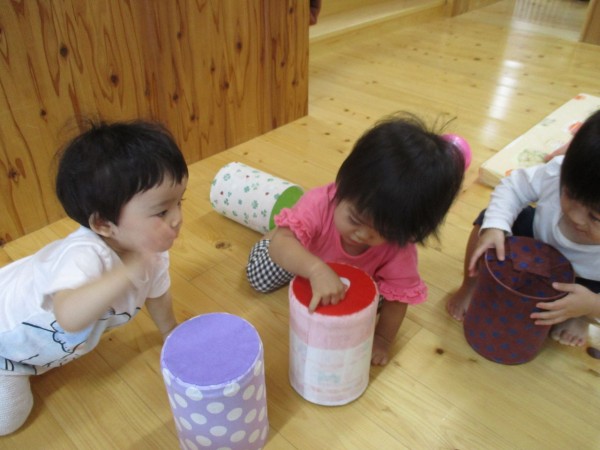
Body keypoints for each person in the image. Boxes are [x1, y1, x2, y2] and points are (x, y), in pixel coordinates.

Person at [0, 120, 188, 435]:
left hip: (34, 351)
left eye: (180, 201)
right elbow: (69, 316)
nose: (178, 217)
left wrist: (171, 332)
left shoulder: (149, 251)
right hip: (4, 343)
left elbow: (157, 295)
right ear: (102, 224)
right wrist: (126, 272)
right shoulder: (84, 255)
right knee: (10, 421)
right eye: (161, 212)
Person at [247, 113, 466, 366]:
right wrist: (315, 269)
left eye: (380, 231)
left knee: (374, 305)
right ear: (342, 186)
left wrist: (382, 339)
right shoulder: (320, 203)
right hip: (306, 253)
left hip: (356, 275)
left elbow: (397, 300)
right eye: (355, 219)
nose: (362, 234)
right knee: (260, 275)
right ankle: (284, 227)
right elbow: (280, 249)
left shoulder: (400, 246)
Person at [447, 109, 600, 348]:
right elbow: (513, 186)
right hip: (538, 241)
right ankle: (471, 284)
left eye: (595, 217)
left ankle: (579, 316)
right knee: (488, 221)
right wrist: (496, 225)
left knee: (588, 300)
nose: (575, 217)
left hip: (586, 280)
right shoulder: (558, 172)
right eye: (569, 194)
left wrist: (591, 305)